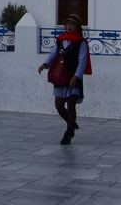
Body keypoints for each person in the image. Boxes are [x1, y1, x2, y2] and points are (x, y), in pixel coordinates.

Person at [38, 14, 90, 144]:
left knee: (71, 104)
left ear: (77, 27)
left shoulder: (81, 43)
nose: (69, 26)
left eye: (72, 24)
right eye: (68, 24)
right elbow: (53, 54)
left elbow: (82, 62)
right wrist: (45, 64)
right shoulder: (60, 40)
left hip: (73, 76)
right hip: (61, 76)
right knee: (59, 105)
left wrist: (76, 77)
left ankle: (68, 133)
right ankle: (71, 123)